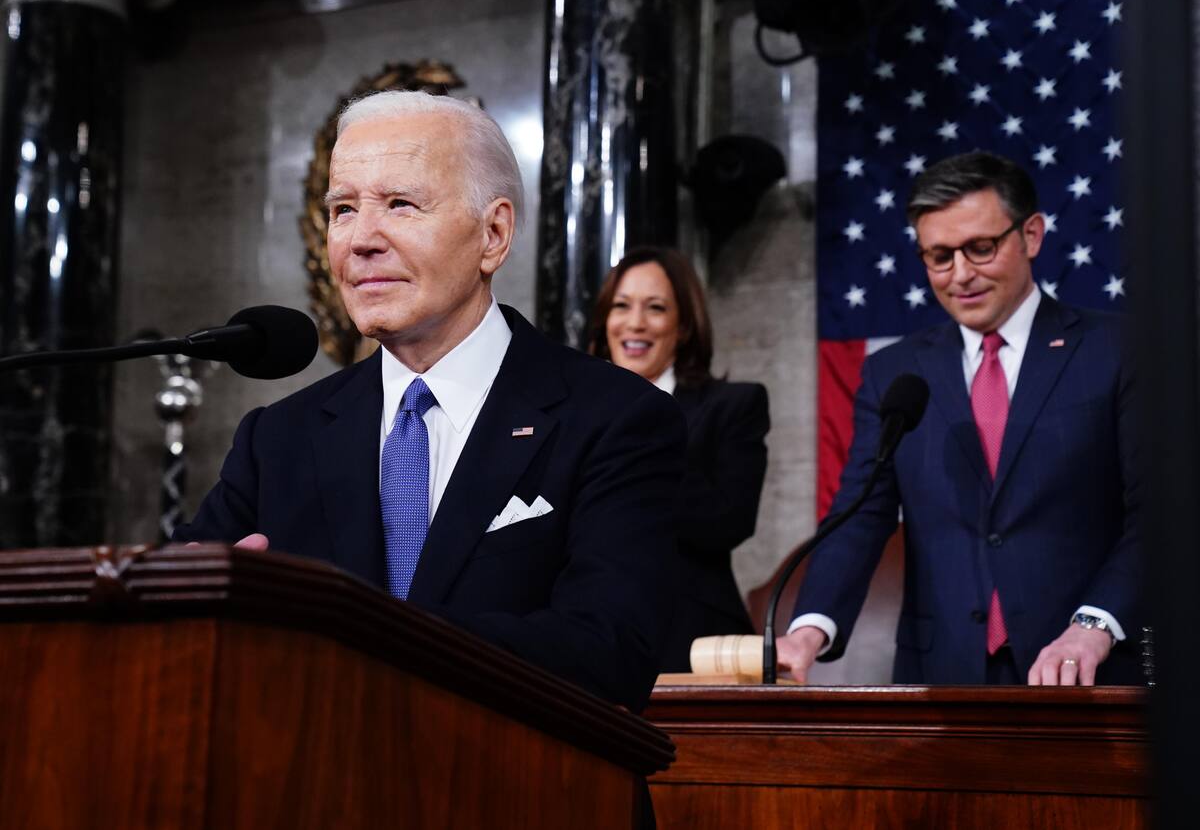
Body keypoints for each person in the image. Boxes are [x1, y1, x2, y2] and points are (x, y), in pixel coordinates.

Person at [175, 90, 687, 713]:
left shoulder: (616, 418)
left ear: (493, 234)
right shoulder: (277, 438)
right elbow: (185, 618)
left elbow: (609, 651)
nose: (361, 239)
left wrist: (354, 637)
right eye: (342, 209)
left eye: (400, 204)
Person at [777, 151, 1141, 686]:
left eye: (981, 248)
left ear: (1032, 235)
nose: (961, 275)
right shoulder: (894, 374)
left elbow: (1160, 514)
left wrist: (1095, 623)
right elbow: (862, 515)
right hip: (944, 676)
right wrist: (809, 631)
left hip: (1091, 667)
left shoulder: (1117, 349)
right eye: (939, 257)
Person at [588, 246, 769, 673]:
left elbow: (729, 522)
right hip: (584, 634)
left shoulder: (734, 404)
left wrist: (644, 427)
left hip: (688, 639)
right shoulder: (572, 413)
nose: (635, 323)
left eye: (655, 308)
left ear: (683, 325)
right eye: (621, 307)